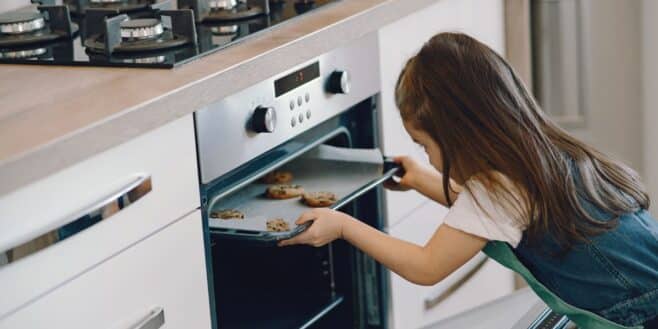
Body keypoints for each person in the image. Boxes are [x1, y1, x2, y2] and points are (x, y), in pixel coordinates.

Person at [279, 32, 658, 328]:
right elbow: (491, 216)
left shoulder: (496, 191)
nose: (427, 155)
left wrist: (344, 226)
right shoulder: (546, 155)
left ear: (459, 136)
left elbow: (426, 266)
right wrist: (422, 179)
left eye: (425, 145)